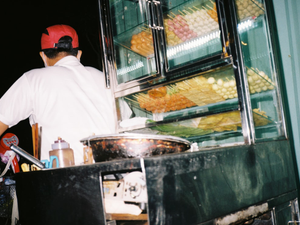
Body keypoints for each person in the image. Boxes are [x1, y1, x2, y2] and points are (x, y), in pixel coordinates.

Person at [0, 24, 116, 165]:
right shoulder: (104, 78)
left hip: (63, 181)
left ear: (43, 56)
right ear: (78, 54)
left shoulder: (34, 79)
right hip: (114, 175)